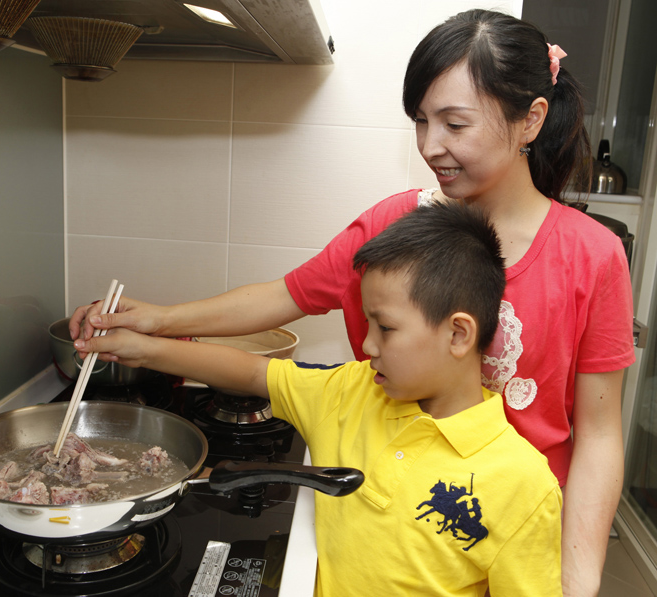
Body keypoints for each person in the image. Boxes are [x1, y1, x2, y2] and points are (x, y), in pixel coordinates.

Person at [71, 9, 635, 595]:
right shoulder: (396, 226)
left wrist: (577, 579)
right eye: (420, 121)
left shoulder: (591, 256)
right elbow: (283, 296)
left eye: (455, 124)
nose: (429, 145)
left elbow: (597, 435)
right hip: (392, 532)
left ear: (530, 120)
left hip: (514, 536)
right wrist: (159, 322)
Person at [74, 202, 564, 596]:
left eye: (385, 328)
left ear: (459, 334)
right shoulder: (352, 391)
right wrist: (144, 345)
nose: (367, 345)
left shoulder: (523, 485)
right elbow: (250, 371)